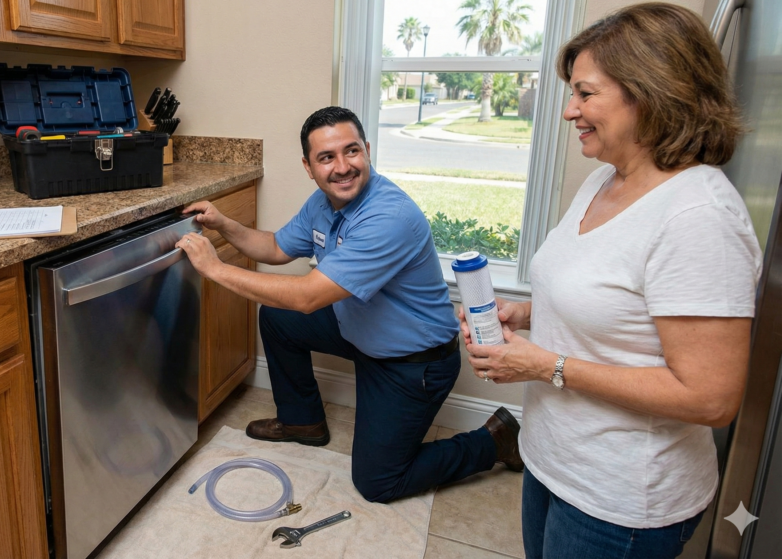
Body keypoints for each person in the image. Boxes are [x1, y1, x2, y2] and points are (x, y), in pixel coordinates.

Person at [459, 4, 762, 558]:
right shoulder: (604, 180)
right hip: (553, 457)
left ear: (650, 90)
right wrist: (523, 313)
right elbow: (611, 297)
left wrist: (545, 366)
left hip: (620, 500)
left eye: (586, 93)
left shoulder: (699, 217)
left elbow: (711, 398)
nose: (569, 110)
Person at [176, 106, 523, 503]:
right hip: (360, 330)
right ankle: (302, 422)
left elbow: (307, 296)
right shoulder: (322, 203)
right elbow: (274, 248)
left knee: (378, 482)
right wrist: (223, 224)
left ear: (367, 150)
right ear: (309, 167)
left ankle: (493, 441)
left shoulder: (389, 217)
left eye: (351, 151)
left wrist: (216, 269)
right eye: (326, 157)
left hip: (411, 362)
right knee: (277, 317)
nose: (342, 167)